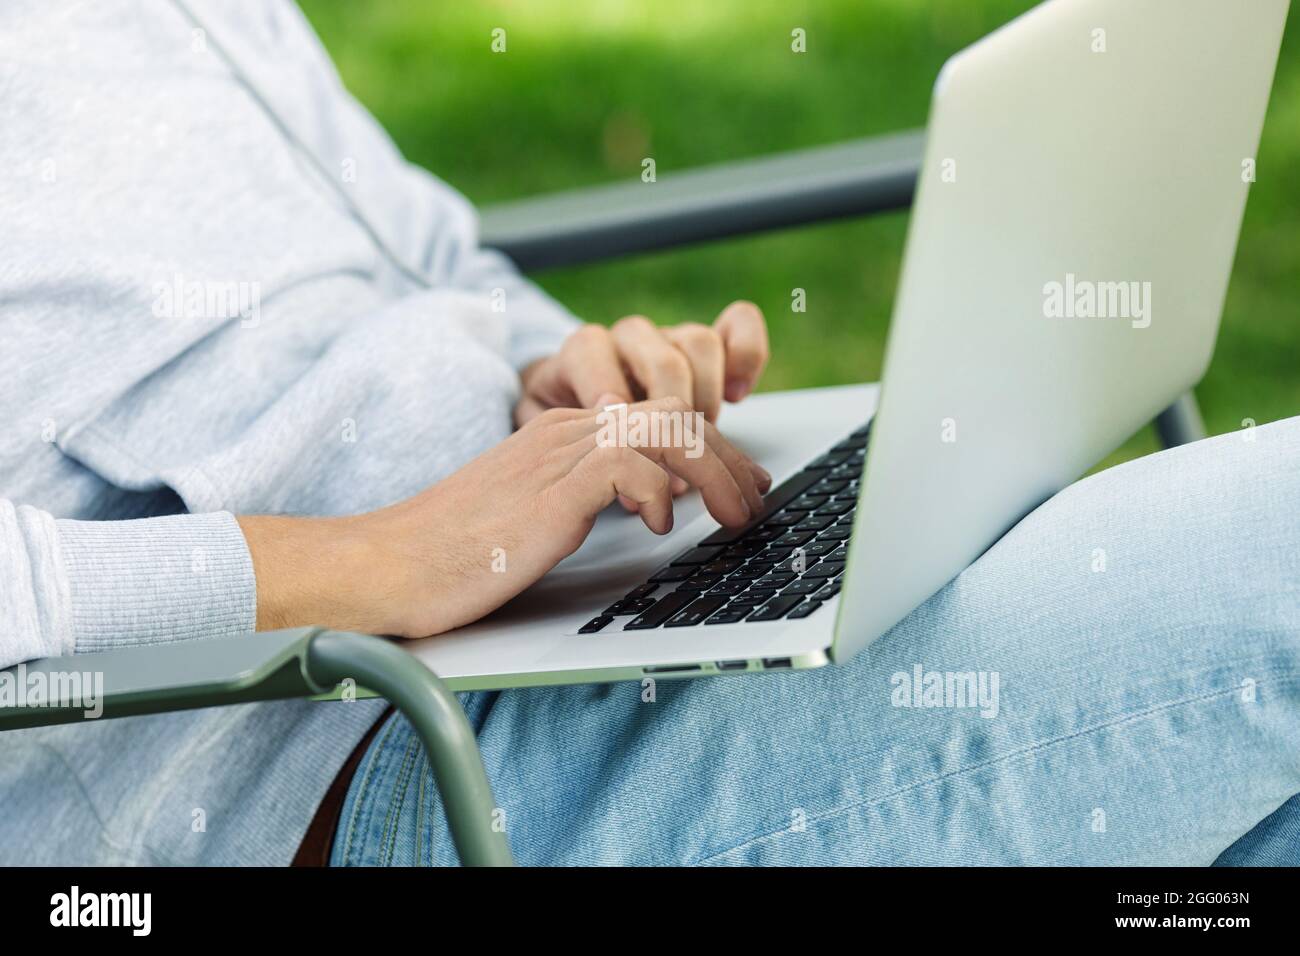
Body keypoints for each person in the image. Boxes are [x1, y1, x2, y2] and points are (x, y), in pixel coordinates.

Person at [2, 0, 1297, 866]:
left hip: (579, 582)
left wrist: (548, 370)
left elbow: (424, 249)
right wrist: (371, 563)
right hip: (346, 752)